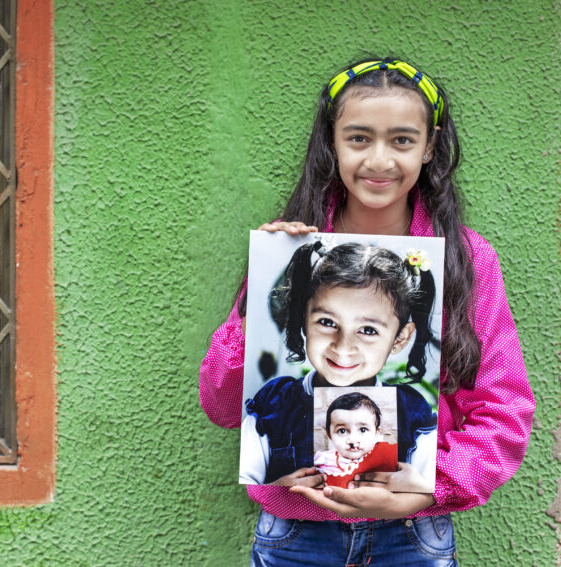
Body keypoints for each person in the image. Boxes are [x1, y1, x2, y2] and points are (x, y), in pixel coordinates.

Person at [199, 57, 535, 566]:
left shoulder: (467, 259)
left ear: (429, 148)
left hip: (412, 537)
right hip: (295, 537)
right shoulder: (289, 255)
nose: (379, 160)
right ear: (331, 145)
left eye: (401, 140)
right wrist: (266, 300)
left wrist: (428, 488)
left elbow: (503, 409)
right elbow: (222, 406)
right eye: (359, 138)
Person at [237, 242, 437, 489]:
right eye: (327, 322)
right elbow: (246, 486)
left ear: (400, 338)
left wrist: (417, 491)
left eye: (367, 330)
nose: (343, 347)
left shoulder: (412, 411)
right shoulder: (274, 403)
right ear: (303, 319)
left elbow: (433, 489)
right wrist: (279, 492)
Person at [314, 392, 399, 489]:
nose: (353, 440)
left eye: (363, 430)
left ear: (376, 432)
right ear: (329, 434)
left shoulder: (384, 458)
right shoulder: (322, 460)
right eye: (342, 431)